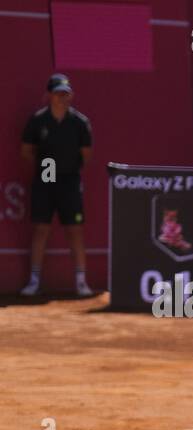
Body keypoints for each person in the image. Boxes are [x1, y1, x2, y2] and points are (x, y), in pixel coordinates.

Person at [19, 74, 94, 297]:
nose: (63, 98)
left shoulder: (80, 123)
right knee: (41, 228)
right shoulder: (37, 121)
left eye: (66, 93)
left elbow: (87, 156)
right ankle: (34, 280)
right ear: (49, 96)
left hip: (70, 180)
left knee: (75, 230)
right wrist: (48, 168)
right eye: (58, 93)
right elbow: (26, 151)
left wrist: (67, 169)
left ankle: (81, 281)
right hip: (46, 178)